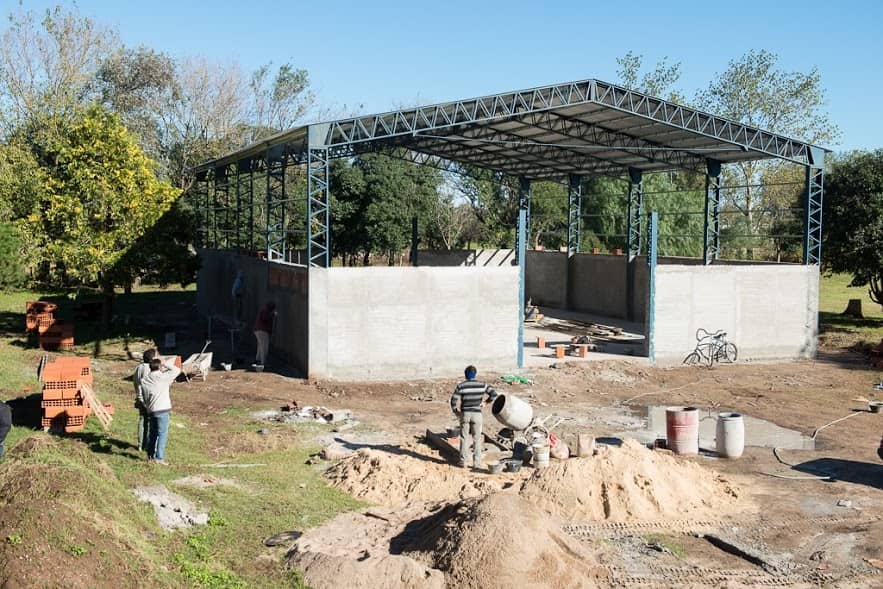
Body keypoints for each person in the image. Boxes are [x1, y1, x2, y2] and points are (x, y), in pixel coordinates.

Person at [450, 365, 497, 470]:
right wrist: (485, 402)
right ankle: (477, 463)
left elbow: (453, 400)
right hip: (477, 415)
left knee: (464, 438)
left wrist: (456, 411)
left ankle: (463, 461)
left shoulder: (461, 386)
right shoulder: (482, 385)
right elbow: (494, 394)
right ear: (475, 374)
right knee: (477, 438)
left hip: (465, 414)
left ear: (465, 375)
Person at [139, 357, 181, 465]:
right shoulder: (163, 377)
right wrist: (165, 363)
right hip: (163, 409)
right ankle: (159, 458)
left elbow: (144, 397)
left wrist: (148, 407)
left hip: (152, 410)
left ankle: (150, 455)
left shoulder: (144, 381)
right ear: (159, 366)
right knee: (162, 434)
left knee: (152, 433)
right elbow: (177, 370)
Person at [133, 348, 157, 451]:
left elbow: (135, 382)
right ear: (152, 358)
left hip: (140, 397)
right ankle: (147, 444)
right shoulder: (150, 369)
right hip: (148, 399)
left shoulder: (138, 368)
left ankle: (140, 444)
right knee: (151, 422)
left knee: (142, 420)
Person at [253, 301, 276, 367]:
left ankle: (258, 360)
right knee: (264, 347)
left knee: (260, 346)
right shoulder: (266, 311)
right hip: (262, 331)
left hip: (259, 330)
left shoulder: (264, 311)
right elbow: (265, 318)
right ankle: (263, 362)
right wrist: (272, 315)